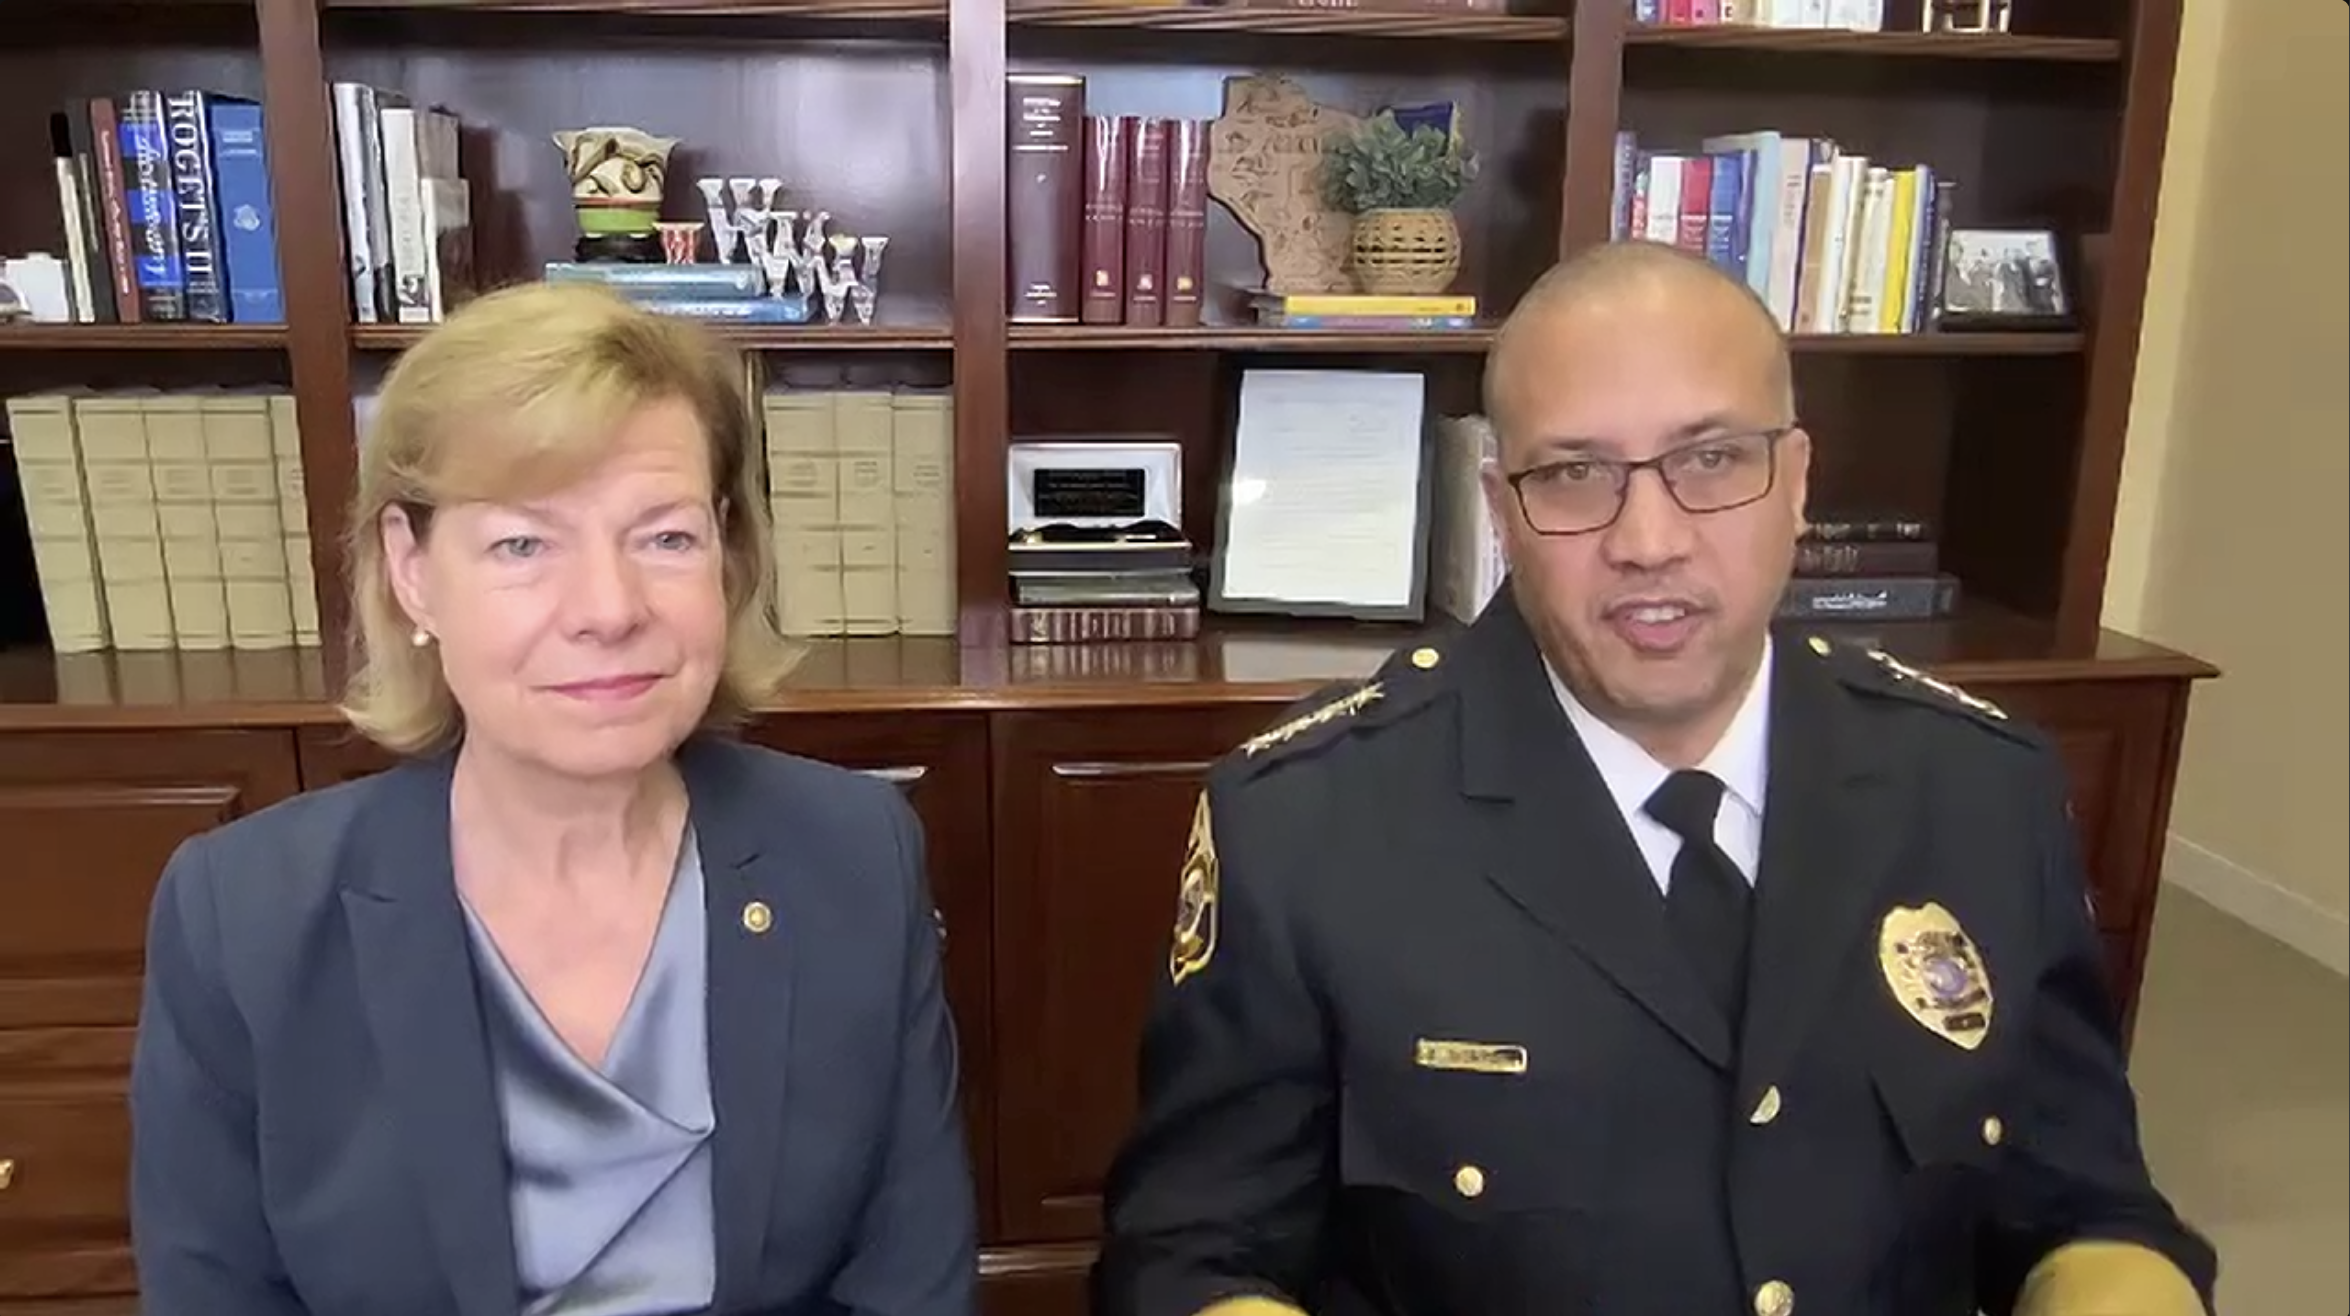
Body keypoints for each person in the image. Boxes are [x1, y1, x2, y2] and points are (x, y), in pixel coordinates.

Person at [1091, 241, 2217, 1316]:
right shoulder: (1306, 824)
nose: (1647, 539)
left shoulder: (1981, 788)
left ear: (1797, 480)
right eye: (1574, 474)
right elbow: (1194, 1253)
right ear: (1501, 512)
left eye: (1711, 459)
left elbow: (2084, 1206)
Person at [127, 281, 978, 1316]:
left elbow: (911, 1284)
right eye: (523, 544)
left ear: (726, 547)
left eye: (664, 536)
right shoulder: (242, 910)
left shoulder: (854, 851)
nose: (609, 609)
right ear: (412, 571)